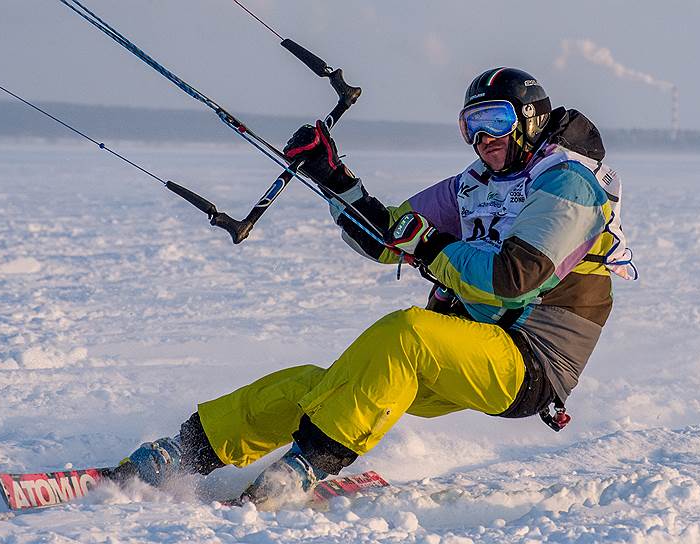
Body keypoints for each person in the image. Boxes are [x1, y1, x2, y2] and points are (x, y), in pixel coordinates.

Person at [117, 67, 635, 508]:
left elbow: (512, 280)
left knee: (406, 333)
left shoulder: (568, 182)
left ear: (530, 120)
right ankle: (184, 453)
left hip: (529, 363)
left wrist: (430, 247)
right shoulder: (474, 184)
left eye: (495, 120)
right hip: (461, 347)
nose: (484, 137)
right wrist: (333, 177)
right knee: (318, 387)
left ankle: (306, 467)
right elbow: (386, 238)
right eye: (471, 125)